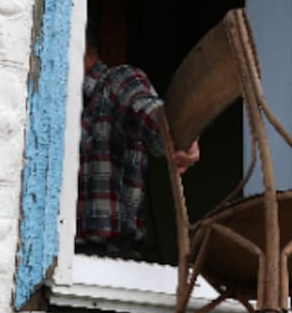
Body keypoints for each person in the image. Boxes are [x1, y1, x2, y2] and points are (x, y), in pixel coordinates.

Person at [75, 29, 200, 260]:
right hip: (73, 256)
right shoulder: (71, 103)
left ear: (82, 46)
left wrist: (183, 136)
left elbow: (155, 115)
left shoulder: (116, 82)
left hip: (111, 258)